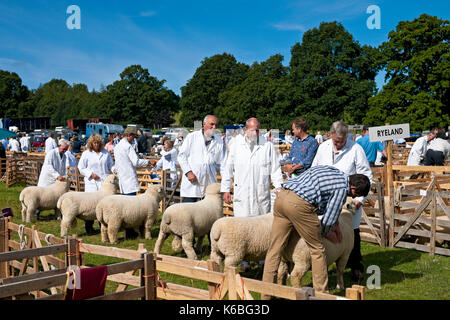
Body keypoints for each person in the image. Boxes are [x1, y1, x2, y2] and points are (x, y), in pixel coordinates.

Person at [262, 166, 371, 297]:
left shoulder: (334, 171)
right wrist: (328, 233)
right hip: (299, 204)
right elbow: (328, 219)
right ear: (353, 188)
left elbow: (319, 199)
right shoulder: (342, 189)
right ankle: (321, 294)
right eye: (355, 195)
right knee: (318, 250)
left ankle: (266, 295)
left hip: (282, 197)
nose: (352, 196)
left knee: (274, 249)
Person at [311, 120, 372, 282]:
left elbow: (366, 176)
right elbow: (314, 168)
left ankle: (356, 267)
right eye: (336, 141)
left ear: (347, 137)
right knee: (327, 231)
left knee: (351, 234)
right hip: (324, 199)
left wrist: (359, 199)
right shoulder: (323, 147)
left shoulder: (355, 149)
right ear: (330, 135)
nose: (339, 144)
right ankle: (328, 263)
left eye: (342, 141)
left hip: (348, 199)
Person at [221, 117, 283, 217]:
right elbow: (228, 169)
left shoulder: (267, 146)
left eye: (257, 130)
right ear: (245, 130)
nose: (255, 133)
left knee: (261, 228)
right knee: (242, 227)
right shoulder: (236, 144)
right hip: (242, 194)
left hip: (261, 195)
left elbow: (275, 169)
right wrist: (226, 189)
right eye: (252, 130)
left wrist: (279, 187)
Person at [178, 115, 225, 202]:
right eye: (212, 124)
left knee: (208, 213)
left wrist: (226, 184)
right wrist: (188, 172)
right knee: (189, 213)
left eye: (216, 125)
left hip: (209, 186)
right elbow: (181, 156)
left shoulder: (219, 141)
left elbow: (222, 164)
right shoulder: (192, 137)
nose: (214, 127)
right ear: (204, 124)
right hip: (192, 183)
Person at [78, 134, 115, 234]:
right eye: (94, 143)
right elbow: (81, 167)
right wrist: (90, 174)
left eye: (98, 143)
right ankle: (89, 228)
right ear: (91, 143)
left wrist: (114, 170)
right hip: (92, 183)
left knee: (103, 205)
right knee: (90, 206)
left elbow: (111, 165)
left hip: (103, 183)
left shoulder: (105, 153)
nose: (96, 145)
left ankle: (103, 226)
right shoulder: (86, 154)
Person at [114, 127, 155, 196]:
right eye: (133, 136)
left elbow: (117, 162)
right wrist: (148, 161)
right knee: (131, 205)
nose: (134, 139)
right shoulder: (128, 146)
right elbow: (136, 162)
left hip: (122, 180)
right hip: (129, 180)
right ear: (129, 135)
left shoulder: (117, 146)